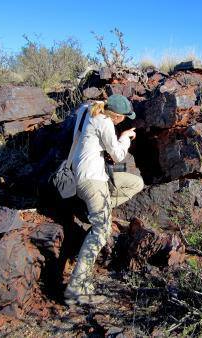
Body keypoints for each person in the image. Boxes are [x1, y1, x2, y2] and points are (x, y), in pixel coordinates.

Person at [64, 94, 144, 305]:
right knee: (101, 231)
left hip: (83, 174)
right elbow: (117, 155)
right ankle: (75, 287)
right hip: (93, 180)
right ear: (116, 116)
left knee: (136, 182)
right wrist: (125, 137)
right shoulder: (105, 122)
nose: (123, 120)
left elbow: (86, 105)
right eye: (123, 117)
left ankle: (99, 209)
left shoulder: (88, 111)